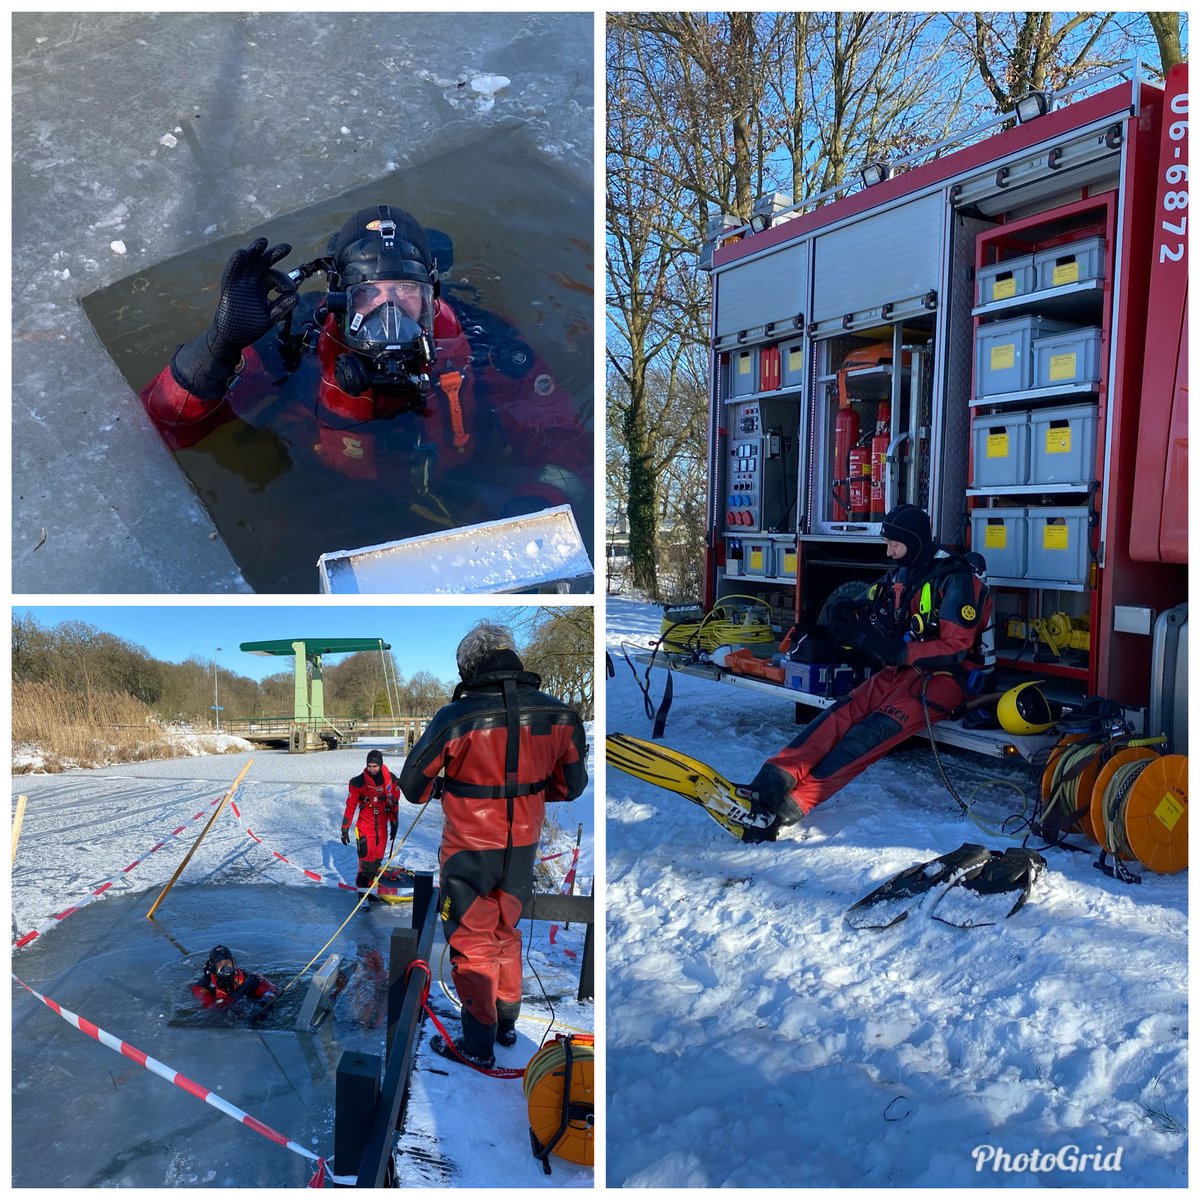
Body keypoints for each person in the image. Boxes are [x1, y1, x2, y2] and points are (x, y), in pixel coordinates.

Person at [139, 203, 590, 511]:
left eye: (405, 292)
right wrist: (218, 348)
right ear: (339, 295)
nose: (388, 312)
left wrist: (532, 505)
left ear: (432, 295)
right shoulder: (297, 338)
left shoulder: (485, 344)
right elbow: (165, 425)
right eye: (369, 294)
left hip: (462, 492)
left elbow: (565, 447)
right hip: (327, 495)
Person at [737, 503, 992, 842]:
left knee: (869, 734)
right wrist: (847, 609)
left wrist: (899, 651)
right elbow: (874, 595)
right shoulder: (904, 570)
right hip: (904, 668)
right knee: (841, 713)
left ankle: (791, 806)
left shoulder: (956, 578)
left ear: (913, 542)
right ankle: (770, 783)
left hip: (947, 679)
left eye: (894, 545)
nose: (888, 553)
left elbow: (956, 648)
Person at [399, 621, 588, 1069]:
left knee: (472, 944)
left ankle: (478, 1043)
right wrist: (530, 791)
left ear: (468, 668)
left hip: (468, 851)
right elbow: (573, 785)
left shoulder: (455, 718)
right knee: (505, 935)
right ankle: (506, 1024)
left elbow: (412, 786)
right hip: (522, 849)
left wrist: (455, 786)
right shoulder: (560, 715)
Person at [342, 749, 400, 897]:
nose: (372, 769)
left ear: (381, 765)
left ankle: (370, 888)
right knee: (366, 861)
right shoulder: (358, 783)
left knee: (377, 859)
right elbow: (350, 805)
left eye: (375, 766)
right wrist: (345, 828)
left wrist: (394, 822)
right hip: (365, 827)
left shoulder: (391, 780)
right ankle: (363, 894)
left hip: (382, 826)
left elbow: (394, 803)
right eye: (369, 766)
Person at [192, 944, 277, 1010]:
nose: (225, 967)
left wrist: (265, 1001)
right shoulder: (202, 987)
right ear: (214, 967)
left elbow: (271, 989)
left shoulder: (244, 975)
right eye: (220, 964)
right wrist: (241, 991)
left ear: (233, 963)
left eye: (228, 962)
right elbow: (214, 1009)